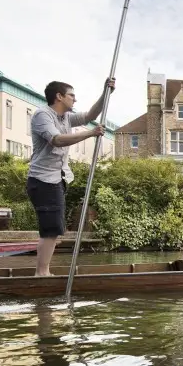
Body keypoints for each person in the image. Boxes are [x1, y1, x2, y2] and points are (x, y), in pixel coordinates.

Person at [27, 78, 115, 276]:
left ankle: (43, 271)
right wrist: (91, 133)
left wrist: (105, 92)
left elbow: (91, 115)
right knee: (51, 229)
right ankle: (42, 273)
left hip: (57, 179)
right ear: (59, 97)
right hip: (42, 181)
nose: (75, 100)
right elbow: (57, 140)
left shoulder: (66, 117)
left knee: (55, 229)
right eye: (71, 95)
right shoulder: (43, 115)